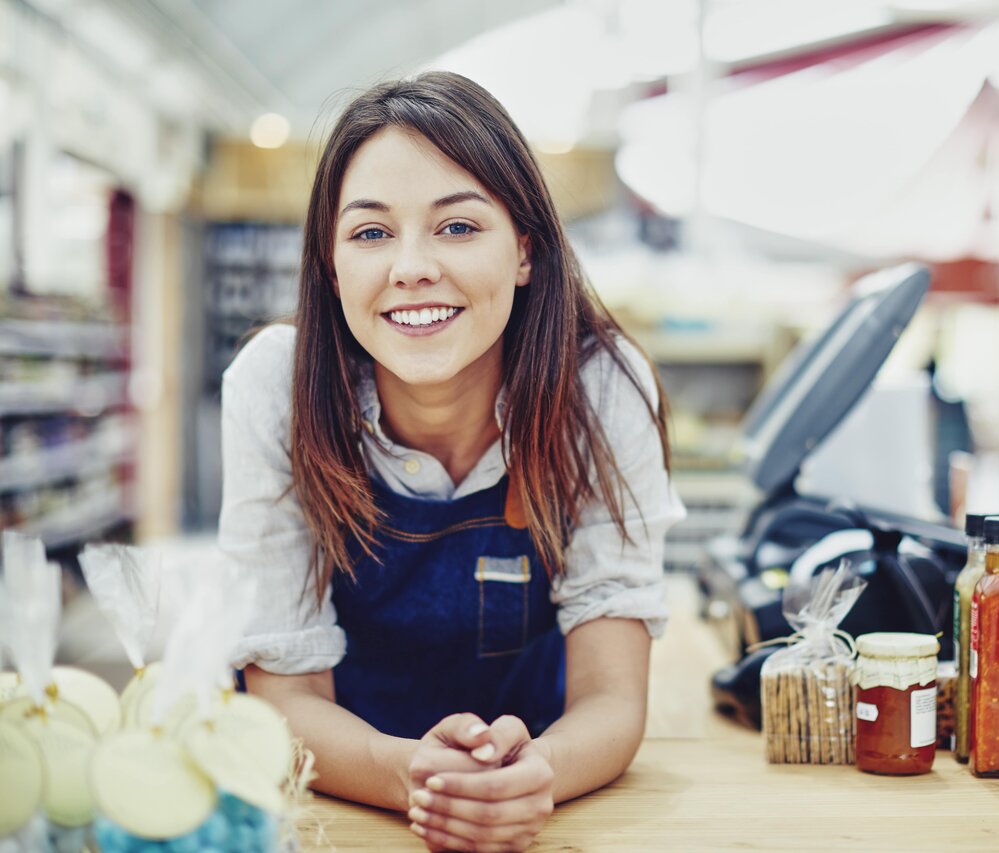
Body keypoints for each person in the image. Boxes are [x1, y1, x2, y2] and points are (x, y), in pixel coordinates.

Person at [218, 71, 685, 852]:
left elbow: (612, 696)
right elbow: (283, 699)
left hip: (540, 798)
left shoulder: (602, 388)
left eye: (458, 227)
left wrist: (536, 773)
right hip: (338, 803)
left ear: (527, 250)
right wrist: (413, 776)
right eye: (371, 233)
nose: (412, 267)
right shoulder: (277, 385)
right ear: (333, 271)